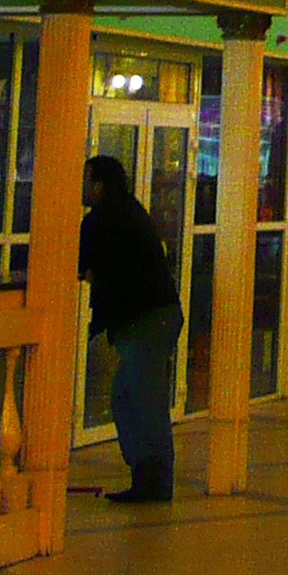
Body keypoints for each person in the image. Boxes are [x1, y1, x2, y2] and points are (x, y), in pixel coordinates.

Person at [79, 155, 183, 502]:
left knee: (140, 399)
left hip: (147, 320)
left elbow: (85, 268)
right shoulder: (129, 211)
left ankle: (153, 480)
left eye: (85, 179)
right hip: (157, 316)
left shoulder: (101, 220)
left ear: (98, 184)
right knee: (130, 396)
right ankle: (148, 475)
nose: (81, 186)